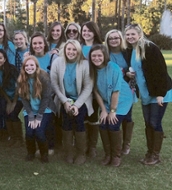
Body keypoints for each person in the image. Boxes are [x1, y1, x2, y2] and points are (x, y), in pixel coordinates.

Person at [125, 24, 172, 165]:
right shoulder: (131, 50)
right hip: (146, 93)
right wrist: (129, 74)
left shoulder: (150, 48)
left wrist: (159, 94)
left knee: (154, 122)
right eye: (127, 35)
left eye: (133, 34)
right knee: (148, 123)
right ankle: (149, 152)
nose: (130, 37)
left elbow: (160, 71)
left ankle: (155, 155)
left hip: (160, 92)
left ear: (140, 34)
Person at [88, 45, 133, 167]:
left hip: (122, 99)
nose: (96, 58)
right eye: (94, 56)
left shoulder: (113, 67)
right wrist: (103, 110)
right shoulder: (92, 70)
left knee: (113, 124)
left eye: (99, 55)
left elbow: (116, 91)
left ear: (105, 56)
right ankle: (108, 154)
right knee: (103, 124)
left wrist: (112, 111)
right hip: (106, 101)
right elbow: (96, 92)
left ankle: (116, 156)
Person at [50, 40, 93, 165]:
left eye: (74, 50)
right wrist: (65, 102)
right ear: (64, 50)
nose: (71, 52)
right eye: (69, 49)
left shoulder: (85, 64)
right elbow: (55, 84)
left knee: (79, 120)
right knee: (66, 122)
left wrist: (76, 105)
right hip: (64, 98)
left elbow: (88, 87)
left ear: (79, 51)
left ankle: (81, 153)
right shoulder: (57, 62)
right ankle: (68, 152)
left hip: (81, 100)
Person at [17, 56, 55, 163]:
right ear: (23, 68)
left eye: (31, 65)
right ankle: (31, 152)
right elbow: (23, 99)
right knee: (29, 132)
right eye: (26, 65)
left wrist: (38, 116)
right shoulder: (21, 79)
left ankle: (44, 153)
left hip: (45, 109)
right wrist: (30, 115)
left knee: (39, 132)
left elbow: (46, 98)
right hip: (30, 110)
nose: (29, 67)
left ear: (36, 66)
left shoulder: (44, 77)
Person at [105, 29, 136, 155]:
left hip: (127, 88)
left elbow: (134, 67)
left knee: (127, 116)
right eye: (110, 38)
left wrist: (129, 74)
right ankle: (113, 144)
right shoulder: (105, 53)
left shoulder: (127, 52)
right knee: (112, 115)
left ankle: (126, 144)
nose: (113, 40)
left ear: (121, 39)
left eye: (116, 38)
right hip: (110, 89)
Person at [80, 21, 104, 158]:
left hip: (96, 87)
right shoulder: (79, 47)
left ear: (94, 32)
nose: (86, 33)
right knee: (83, 115)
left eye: (89, 30)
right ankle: (83, 146)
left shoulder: (100, 47)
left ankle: (92, 146)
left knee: (93, 116)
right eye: (84, 30)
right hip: (82, 88)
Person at [0, 49, 20, 144]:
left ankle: (18, 138)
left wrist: (13, 102)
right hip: (6, 97)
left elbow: (19, 86)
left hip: (18, 96)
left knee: (12, 113)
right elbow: (0, 89)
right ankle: (6, 136)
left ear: (5, 59)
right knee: (3, 112)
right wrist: (9, 102)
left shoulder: (12, 69)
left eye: (0, 58)